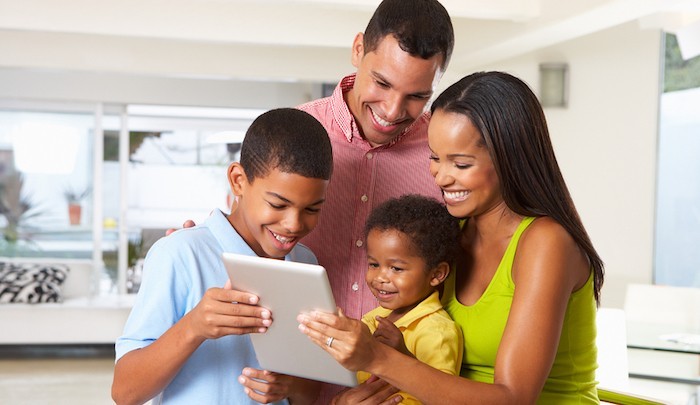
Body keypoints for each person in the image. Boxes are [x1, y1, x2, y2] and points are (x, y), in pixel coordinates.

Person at [174, 1, 455, 403]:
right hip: (290, 389)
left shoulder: (442, 154)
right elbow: (245, 229)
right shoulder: (295, 136)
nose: (393, 111)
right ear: (358, 49)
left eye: (417, 96)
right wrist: (191, 246)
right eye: (382, 82)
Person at [298, 71, 605, 404]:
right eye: (434, 158)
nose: (441, 177)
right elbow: (430, 370)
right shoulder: (446, 237)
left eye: (460, 164)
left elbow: (513, 398)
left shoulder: (546, 242)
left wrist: (377, 358)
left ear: (509, 159)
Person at [112, 108, 333, 405]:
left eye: (312, 209)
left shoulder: (306, 264)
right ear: (238, 181)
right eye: (277, 204)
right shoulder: (180, 253)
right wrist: (194, 327)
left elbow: (307, 394)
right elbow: (125, 393)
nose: (294, 224)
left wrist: (287, 385)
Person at [356, 194, 463, 404]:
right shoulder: (374, 319)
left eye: (396, 268)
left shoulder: (438, 333)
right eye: (374, 264)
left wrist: (403, 357)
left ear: (436, 274)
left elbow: (444, 396)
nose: (380, 278)